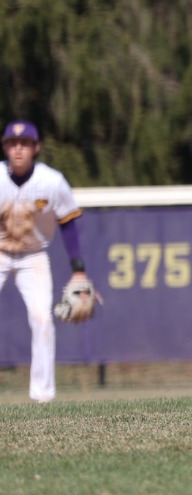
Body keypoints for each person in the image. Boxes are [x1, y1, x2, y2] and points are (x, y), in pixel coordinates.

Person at [0, 122, 90, 402]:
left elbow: (68, 223)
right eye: (13, 143)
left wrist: (78, 271)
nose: (18, 149)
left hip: (33, 255)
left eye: (25, 143)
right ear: (5, 147)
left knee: (42, 320)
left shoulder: (52, 181)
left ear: (36, 148)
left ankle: (42, 396)